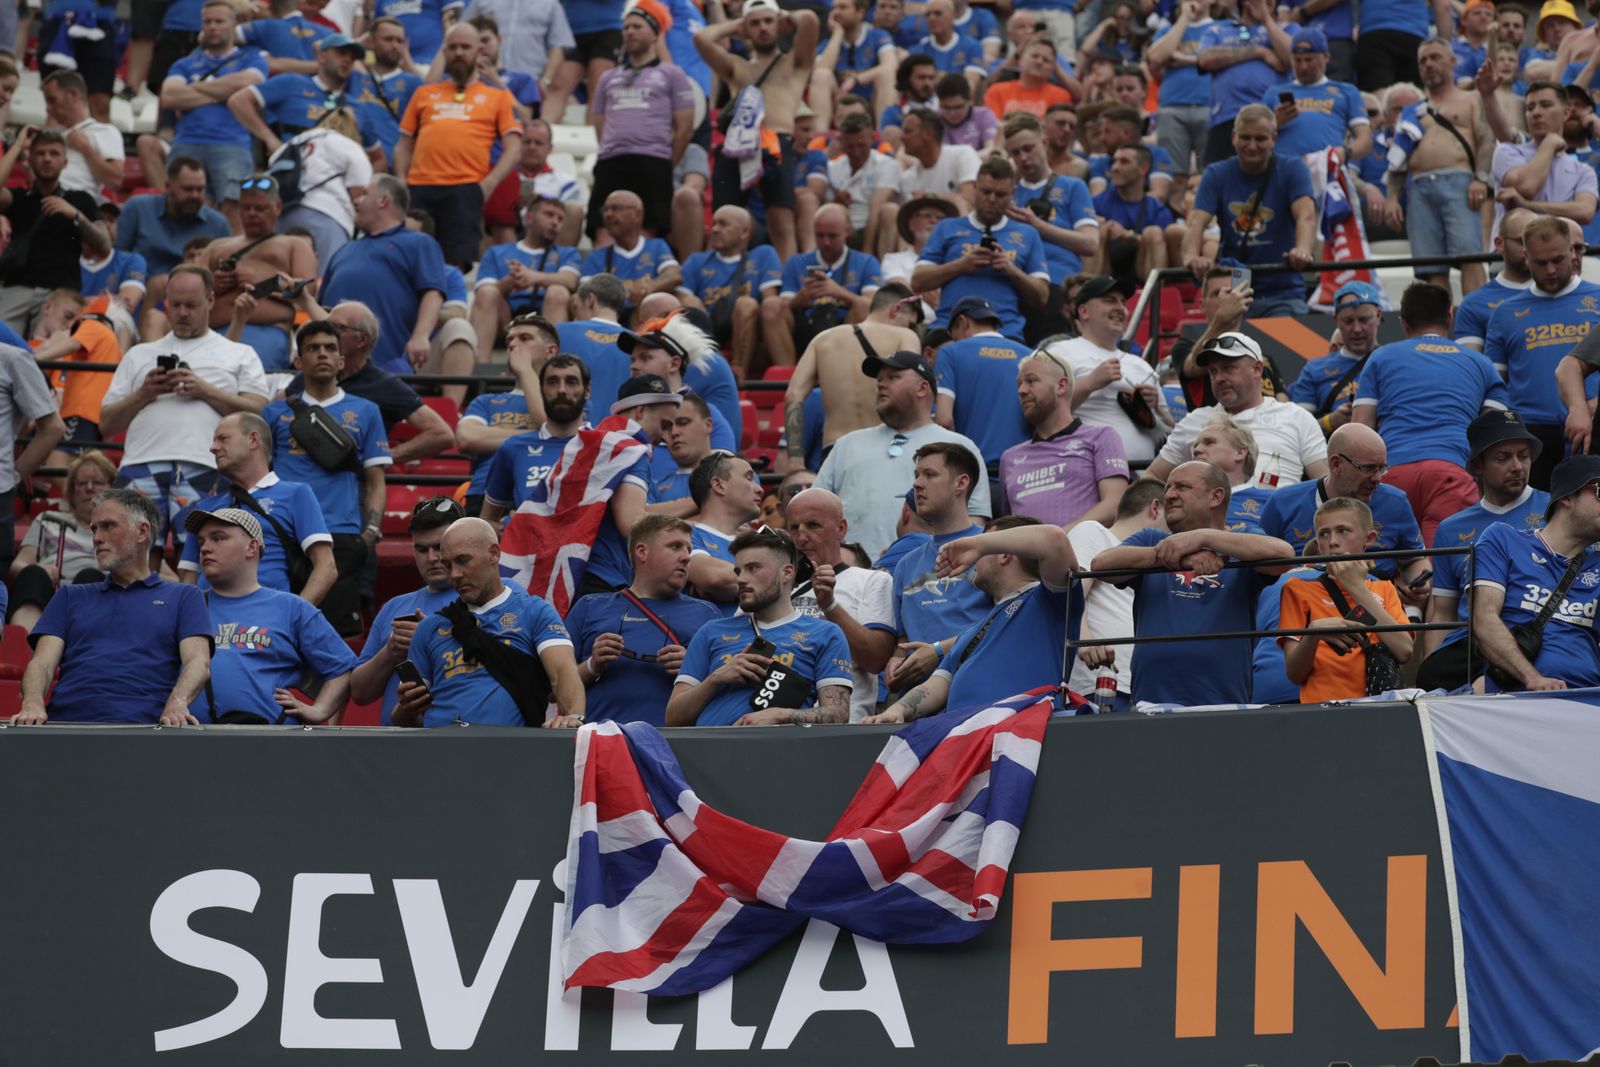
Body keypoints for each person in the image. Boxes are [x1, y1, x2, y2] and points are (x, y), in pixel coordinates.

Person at [1093, 460, 1296, 705]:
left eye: (1182, 487)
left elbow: (1284, 556)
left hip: (1224, 705)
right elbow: (1101, 565)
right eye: (1167, 488)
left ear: (1215, 496)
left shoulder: (1242, 543)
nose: (1169, 495)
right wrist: (1170, 557)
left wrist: (1202, 537)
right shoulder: (1152, 539)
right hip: (1150, 702)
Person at [99, 264, 269, 550]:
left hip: (205, 464)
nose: (182, 312)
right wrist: (144, 393)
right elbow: (106, 424)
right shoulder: (139, 354)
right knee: (132, 558)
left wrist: (204, 390)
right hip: (140, 462)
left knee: (199, 558)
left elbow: (257, 414)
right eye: (174, 305)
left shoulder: (239, 353)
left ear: (210, 301)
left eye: (191, 305)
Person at [13, 488, 210, 726]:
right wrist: (32, 702)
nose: (96, 537)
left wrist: (177, 702)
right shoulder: (69, 596)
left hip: (149, 731)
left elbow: (198, 662)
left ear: (142, 531)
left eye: (108, 526)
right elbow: (42, 663)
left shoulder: (184, 596)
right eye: (94, 528)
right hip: (67, 729)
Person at [864, 515, 1078, 722]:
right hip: (965, 741)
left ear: (1004, 555)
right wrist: (897, 710)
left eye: (986, 550)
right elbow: (935, 687)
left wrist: (978, 543)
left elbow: (1055, 540)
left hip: (1019, 739)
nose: (975, 558)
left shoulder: (1049, 602)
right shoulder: (972, 632)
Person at [481, 361, 664, 598]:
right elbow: (486, 522)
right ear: (540, 389)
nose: (561, 390)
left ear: (587, 391)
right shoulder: (514, 448)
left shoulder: (610, 447)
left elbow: (632, 515)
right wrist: (509, 528)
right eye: (552, 381)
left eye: (571, 381)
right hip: (531, 578)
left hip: (597, 577)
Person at [261, 321, 391, 635]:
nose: (323, 354)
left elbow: (375, 480)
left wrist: (370, 531)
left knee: (333, 634)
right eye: (313, 348)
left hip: (340, 533)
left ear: (341, 360)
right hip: (283, 533)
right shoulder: (274, 413)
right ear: (298, 361)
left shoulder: (367, 410)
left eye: (330, 348)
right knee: (276, 626)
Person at [1353, 282, 1508, 544]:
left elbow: (1360, 430)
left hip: (1392, 477)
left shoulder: (1381, 357)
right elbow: (1496, 435)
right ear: (1450, 315)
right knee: (1444, 576)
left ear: (1403, 322)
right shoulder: (1481, 363)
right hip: (1451, 475)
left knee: (1384, 573)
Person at [395, 517, 586, 727]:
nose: (455, 574)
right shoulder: (430, 628)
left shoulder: (535, 612)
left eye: (463, 560)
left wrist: (573, 717)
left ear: (494, 553)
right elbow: (405, 721)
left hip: (510, 753)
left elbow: (563, 671)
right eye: (448, 565)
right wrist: (407, 707)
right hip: (440, 752)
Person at [667, 526, 854, 726]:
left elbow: (838, 714)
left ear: (787, 573)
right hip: (709, 753)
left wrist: (780, 715)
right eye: (738, 571)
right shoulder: (710, 631)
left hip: (780, 752)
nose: (740, 579)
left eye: (753, 568)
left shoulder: (825, 633)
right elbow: (673, 718)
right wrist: (716, 678)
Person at [184, 506, 355, 724]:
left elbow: (343, 669)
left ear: (251, 547)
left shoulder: (292, 608)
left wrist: (320, 710)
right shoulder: (187, 607)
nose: (205, 548)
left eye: (218, 538)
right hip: (194, 744)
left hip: (271, 746)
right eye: (201, 542)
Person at [817, 349, 993, 559]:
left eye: (893, 377)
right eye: (879, 380)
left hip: (926, 575)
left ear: (922, 388)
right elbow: (817, 509)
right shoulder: (847, 444)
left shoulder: (957, 446)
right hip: (854, 574)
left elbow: (975, 521)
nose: (881, 384)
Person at [564, 514, 721, 725]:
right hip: (601, 742)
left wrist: (692, 671)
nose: (686, 557)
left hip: (678, 746)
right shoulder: (589, 606)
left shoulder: (707, 613)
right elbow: (553, 692)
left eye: (688, 550)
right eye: (675, 547)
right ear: (642, 552)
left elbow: (725, 689)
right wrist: (593, 665)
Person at [695, 0, 819, 262]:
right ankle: (720, 278)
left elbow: (809, 19)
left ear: (778, 24)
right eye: (755, 23)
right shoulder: (738, 67)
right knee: (725, 217)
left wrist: (786, 16)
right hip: (737, 144)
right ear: (746, 30)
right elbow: (701, 38)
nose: (762, 28)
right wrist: (735, 26)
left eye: (768, 21)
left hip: (775, 140)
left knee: (781, 221)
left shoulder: (795, 62)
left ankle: (788, 285)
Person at [1422, 410, 1548, 661]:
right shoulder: (1450, 529)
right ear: (1478, 465)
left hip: (1543, 646)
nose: (1517, 467)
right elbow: (1443, 613)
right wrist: (1430, 674)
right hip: (1472, 655)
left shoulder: (1555, 509)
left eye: (1524, 456)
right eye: (1503, 457)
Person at [392, 23, 520, 269]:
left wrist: (488, 185)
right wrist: (401, 180)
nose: (459, 52)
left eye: (465, 47)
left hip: (465, 188)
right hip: (420, 187)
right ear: (444, 52)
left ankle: (452, 307)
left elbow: (514, 148)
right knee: (409, 260)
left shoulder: (497, 96)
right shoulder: (424, 93)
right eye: (452, 47)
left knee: (456, 262)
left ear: (479, 50)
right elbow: (403, 144)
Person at [1486, 215, 1600, 488]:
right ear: (1525, 257)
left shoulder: (1597, 298)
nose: (1550, 269)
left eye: (1558, 259)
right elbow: (1494, 385)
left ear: (1573, 251)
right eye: (1541, 262)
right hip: (1532, 435)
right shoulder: (1505, 313)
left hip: (1594, 425)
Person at [1470, 454, 1600, 691]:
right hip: (1518, 699)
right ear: (1568, 496)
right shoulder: (1503, 539)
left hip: (1589, 701)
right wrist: (1532, 678)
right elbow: (1484, 619)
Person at [1260, 423, 1431, 597]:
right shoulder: (1283, 503)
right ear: (1336, 464)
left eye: (1382, 468)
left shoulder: (1395, 502)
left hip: (1376, 605)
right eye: (1369, 468)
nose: (1378, 478)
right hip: (1303, 603)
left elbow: (1414, 560)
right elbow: (1260, 571)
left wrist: (1420, 580)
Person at [1382, 37, 1495, 297]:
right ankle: (1437, 331)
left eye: (1435, 57)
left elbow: (1487, 139)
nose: (1429, 64)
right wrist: (1391, 197)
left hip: (1461, 183)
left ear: (1452, 61)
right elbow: (1399, 159)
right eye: (1423, 60)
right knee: (1430, 266)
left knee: (1471, 257)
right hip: (1419, 187)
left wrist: (1481, 178)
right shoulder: (1413, 110)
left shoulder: (1471, 99)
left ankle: (1474, 327)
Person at [1182, 104, 1316, 317]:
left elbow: (1306, 216)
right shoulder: (1216, 173)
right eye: (1245, 137)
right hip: (1235, 285)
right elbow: (1196, 221)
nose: (1252, 146)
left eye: (1260, 139)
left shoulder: (1293, 169)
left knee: (1285, 346)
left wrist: (1302, 250)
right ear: (1234, 137)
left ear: (1274, 138)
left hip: (1283, 288)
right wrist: (1191, 257)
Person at [1146, 330, 1328, 486]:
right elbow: (1152, 477)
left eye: (1229, 368)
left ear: (1257, 369)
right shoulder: (1195, 420)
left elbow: (1325, 481)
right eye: (1213, 371)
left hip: (1276, 524)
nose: (1219, 378)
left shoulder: (1295, 416)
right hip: (1208, 525)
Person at [1276, 496, 1413, 701]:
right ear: (1317, 543)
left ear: (1369, 538)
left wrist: (1357, 587)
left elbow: (1404, 651)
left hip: (1378, 708)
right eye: (1324, 534)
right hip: (1322, 708)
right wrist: (1313, 633)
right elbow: (1295, 674)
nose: (1332, 541)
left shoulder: (1384, 588)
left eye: (1343, 531)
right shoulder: (1297, 589)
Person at [586, 1, 694, 244]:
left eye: (637, 26)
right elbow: (599, 122)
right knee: (602, 229)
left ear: (655, 34)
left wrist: (666, 161)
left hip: (652, 162)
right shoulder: (608, 77)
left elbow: (685, 127)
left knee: (646, 232)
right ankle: (602, 282)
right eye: (626, 28)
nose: (630, 32)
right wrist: (611, 149)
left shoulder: (672, 75)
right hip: (611, 162)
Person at [888, 442, 992, 693]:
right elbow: (902, 640)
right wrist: (895, 661)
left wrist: (938, 652)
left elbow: (1006, 624)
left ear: (961, 483)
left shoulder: (991, 548)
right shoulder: (905, 565)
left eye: (930, 474)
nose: (917, 484)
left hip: (976, 694)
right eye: (916, 475)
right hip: (915, 703)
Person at [350, 496, 465, 724]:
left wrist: (428, 641)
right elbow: (360, 693)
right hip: (396, 748)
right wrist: (391, 651)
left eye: (439, 547)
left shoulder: (486, 599)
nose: (432, 558)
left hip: (458, 740)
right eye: (421, 549)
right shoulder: (394, 607)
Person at [785, 488, 896, 720]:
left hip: (839, 728)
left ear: (841, 529)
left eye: (813, 525)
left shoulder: (872, 580)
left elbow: (876, 659)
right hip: (771, 721)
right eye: (794, 527)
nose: (801, 537)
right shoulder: (775, 584)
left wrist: (830, 606)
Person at [319, 174, 447, 375]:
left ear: (383, 200)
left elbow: (433, 292)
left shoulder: (419, 242)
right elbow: (323, 308)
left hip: (388, 365)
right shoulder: (344, 250)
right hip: (333, 367)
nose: (355, 200)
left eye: (363, 194)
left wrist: (421, 336)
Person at [913, 154, 1051, 340]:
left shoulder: (1027, 234)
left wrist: (1011, 269)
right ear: (975, 189)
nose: (992, 199)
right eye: (986, 192)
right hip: (948, 331)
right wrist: (962, 265)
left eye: (1001, 194)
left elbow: (1042, 297)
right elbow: (918, 281)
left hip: (1005, 334)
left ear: (1013, 193)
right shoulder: (947, 227)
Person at [785, 282, 924, 462]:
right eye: (911, 323)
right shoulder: (904, 336)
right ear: (895, 310)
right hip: (886, 448)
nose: (911, 329)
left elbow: (792, 396)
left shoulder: (822, 340)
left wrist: (795, 461)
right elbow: (909, 388)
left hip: (835, 451)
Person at [1044, 274, 1169, 466]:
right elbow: (1044, 412)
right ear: (1084, 311)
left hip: (1140, 475)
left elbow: (1168, 430)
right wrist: (1090, 383)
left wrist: (1155, 408)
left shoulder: (1141, 364)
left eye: (1123, 303)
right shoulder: (1060, 352)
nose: (1120, 308)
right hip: (1086, 472)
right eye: (1109, 301)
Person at [1065, 478, 1165, 709]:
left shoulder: (1152, 565)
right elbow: (1070, 593)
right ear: (1156, 508)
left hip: (1144, 692)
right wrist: (1084, 641)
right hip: (1101, 685)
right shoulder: (1093, 531)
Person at [1001, 347, 1130, 526]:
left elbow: (1115, 505)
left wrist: (1058, 539)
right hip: (1022, 552)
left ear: (1061, 386)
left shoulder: (1101, 437)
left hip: (1080, 551)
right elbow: (1007, 525)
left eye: (1031, 381)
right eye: (1019, 384)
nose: (1021, 390)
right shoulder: (1009, 458)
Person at [0, 129, 110, 336]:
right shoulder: (19, 198)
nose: (47, 159)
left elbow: (104, 246)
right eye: (40, 154)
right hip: (15, 289)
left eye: (54, 153)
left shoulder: (80, 199)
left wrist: (76, 216)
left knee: (47, 355)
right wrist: (17, 145)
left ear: (65, 162)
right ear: (30, 160)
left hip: (59, 293)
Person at [201, 176, 316, 372]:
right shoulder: (216, 246)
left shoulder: (293, 245)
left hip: (265, 332)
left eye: (259, 208)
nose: (252, 214)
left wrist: (264, 284)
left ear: (278, 207)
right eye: (246, 208)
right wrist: (212, 285)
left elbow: (308, 291)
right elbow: (188, 287)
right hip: (211, 333)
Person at [1004, 111, 1099, 338]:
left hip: (1058, 282)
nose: (1023, 158)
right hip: (1016, 284)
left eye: (1028, 149)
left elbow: (1090, 243)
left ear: (1044, 143)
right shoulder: (1009, 193)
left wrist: (1037, 225)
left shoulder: (1072, 186)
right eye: (1015, 153)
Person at [113, 157, 232, 334]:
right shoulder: (138, 208)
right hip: (141, 300)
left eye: (200, 190)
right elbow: (119, 259)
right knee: (159, 284)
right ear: (168, 187)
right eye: (187, 189)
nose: (195, 196)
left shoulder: (218, 223)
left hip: (195, 304)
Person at [764, 203, 883, 370]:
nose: (826, 242)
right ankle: (786, 374)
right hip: (804, 325)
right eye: (820, 235)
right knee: (772, 305)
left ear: (847, 231)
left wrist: (838, 292)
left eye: (832, 236)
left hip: (844, 328)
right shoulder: (796, 262)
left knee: (863, 304)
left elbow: (874, 307)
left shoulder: (866, 261)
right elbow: (785, 305)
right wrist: (802, 297)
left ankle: (848, 370)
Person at [6, 449, 110, 632]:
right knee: (33, 574)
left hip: (98, 600)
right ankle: (28, 646)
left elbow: (155, 573)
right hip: (48, 594)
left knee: (90, 578)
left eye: (98, 482)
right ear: (71, 491)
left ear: (112, 490)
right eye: (82, 483)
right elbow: (18, 565)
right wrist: (40, 568)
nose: (89, 488)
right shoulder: (47, 518)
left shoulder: (123, 531)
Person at [935, 295, 1034, 473]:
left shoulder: (950, 352)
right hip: (1021, 473)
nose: (954, 340)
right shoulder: (1030, 355)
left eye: (953, 334)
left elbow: (944, 419)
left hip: (971, 474)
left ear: (962, 322)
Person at [677, 206, 782, 372]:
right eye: (714, 223)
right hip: (709, 327)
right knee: (689, 302)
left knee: (746, 303)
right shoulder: (697, 260)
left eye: (724, 224)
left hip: (748, 328)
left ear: (745, 232)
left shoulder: (764, 255)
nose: (715, 229)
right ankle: (707, 365)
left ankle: (737, 372)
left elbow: (770, 298)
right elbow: (681, 302)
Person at [472, 195, 580, 355]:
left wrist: (532, 277)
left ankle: (552, 366)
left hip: (547, 314)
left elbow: (570, 280)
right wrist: (511, 281)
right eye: (549, 215)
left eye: (560, 218)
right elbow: (483, 290)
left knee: (558, 291)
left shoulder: (567, 253)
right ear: (529, 217)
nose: (555, 222)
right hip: (507, 317)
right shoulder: (497, 252)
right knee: (488, 293)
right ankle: (479, 371)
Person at [269, 107, 373, 271]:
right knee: (325, 278)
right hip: (328, 215)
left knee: (281, 279)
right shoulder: (347, 144)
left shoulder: (292, 143)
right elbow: (359, 193)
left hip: (282, 215)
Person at [1490, 82, 1598, 232]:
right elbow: (1527, 187)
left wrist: (1526, 205)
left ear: (1566, 113)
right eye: (1530, 108)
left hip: (1558, 253)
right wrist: (1549, 144)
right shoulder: (1507, 151)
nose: (1536, 113)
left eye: (1546, 105)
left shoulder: (1583, 170)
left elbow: (1585, 211)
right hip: (1510, 253)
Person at [1196, 0, 1293, 166]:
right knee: (1218, 183)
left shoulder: (1285, 29)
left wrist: (1266, 20)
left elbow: (1292, 57)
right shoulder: (1218, 30)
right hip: (1227, 119)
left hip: (1273, 119)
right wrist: (1259, 51)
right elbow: (1205, 59)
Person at [1263, 28, 1371, 161]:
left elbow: (1365, 138)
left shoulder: (1346, 91)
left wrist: (1345, 153)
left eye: (1309, 60)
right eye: (1297, 60)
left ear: (1326, 57)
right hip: (1285, 171)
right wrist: (1273, 123)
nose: (1303, 67)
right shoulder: (1274, 93)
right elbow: (1251, 136)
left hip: (1328, 170)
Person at [682, 450, 766, 611]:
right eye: (749, 478)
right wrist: (775, 581)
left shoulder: (757, 543)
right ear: (719, 485)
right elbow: (714, 578)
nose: (760, 489)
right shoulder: (687, 535)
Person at [577, 191, 683, 316]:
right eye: (605, 210)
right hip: (611, 320)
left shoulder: (657, 246)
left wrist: (648, 288)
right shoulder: (596, 256)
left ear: (638, 214)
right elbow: (583, 294)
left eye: (616, 208)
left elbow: (674, 275)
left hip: (647, 316)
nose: (608, 214)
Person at [1090, 144, 1177, 290]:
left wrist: (1128, 236)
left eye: (1124, 162)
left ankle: (1156, 300)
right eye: (1114, 161)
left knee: (1153, 232)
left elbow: (1165, 252)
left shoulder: (1157, 210)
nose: (1115, 167)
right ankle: (1088, 294)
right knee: (1096, 228)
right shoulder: (1097, 203)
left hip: (1142, 271)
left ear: (1143, 168)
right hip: (1105, 271)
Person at [1147, 0, 1216, 176]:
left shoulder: (1221, 28)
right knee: (1173, 176)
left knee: (1208, 174)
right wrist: (1184, 18)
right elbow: (1155, 57)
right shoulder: (1168, 31)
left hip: (1210, 106)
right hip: (1172, 106)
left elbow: (1218, 61)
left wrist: (1185, 59)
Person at [559, 273, 635, 424]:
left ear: (590, 300)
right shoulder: (642, 345)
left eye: (576, 308)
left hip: (570, 439)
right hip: (621, 441)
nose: (575, 315)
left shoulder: (558, 332)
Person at [1455, 207, 1534, 350]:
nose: (1529, 248)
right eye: (1521, 241)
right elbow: (1470, 367)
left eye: (1535, 240)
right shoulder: (1474, 304)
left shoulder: (1561, 293)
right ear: (1499, 244)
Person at [41, 70, 122, 200]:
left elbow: (114, 181)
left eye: (52, 100)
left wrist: (85, 148)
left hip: (78, 204)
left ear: (73, 95)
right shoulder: (53, 138)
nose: (48, 109)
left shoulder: (104, 131)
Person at [1191, 413, 1274, 531]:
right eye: (1196, 445)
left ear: (1240, 453)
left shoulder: (1270, 501)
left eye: (1209, 442)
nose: (1197, 450)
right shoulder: (1179, 497)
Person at [898, 108, 981, 209]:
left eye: (908, 131)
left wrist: (927, 197)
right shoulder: (908, 179)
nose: (901, 137)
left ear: (927, 134)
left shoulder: (963, 155)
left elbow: (969, 200)